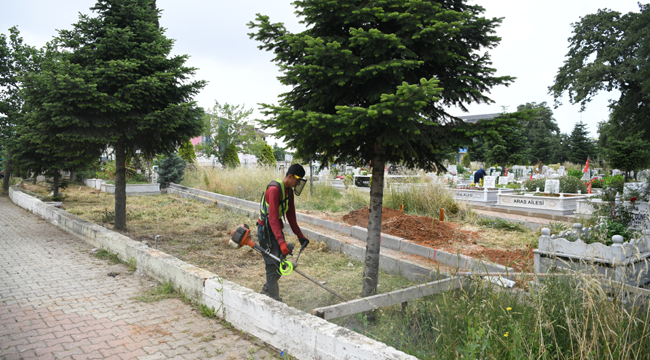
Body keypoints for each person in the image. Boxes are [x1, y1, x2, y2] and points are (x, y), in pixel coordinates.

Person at [257, 164, 310, 301]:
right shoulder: (274, 190)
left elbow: (291, 218)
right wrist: (281, 242)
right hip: (265, 232)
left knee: (280, 262)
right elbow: (273, 218)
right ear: (290, 176)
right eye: (298, 180)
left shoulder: (289, 192)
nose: (298, 183)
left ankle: (266, 289)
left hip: (275, 230)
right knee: (271, 266)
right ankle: (275, 300)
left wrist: (301, 236)